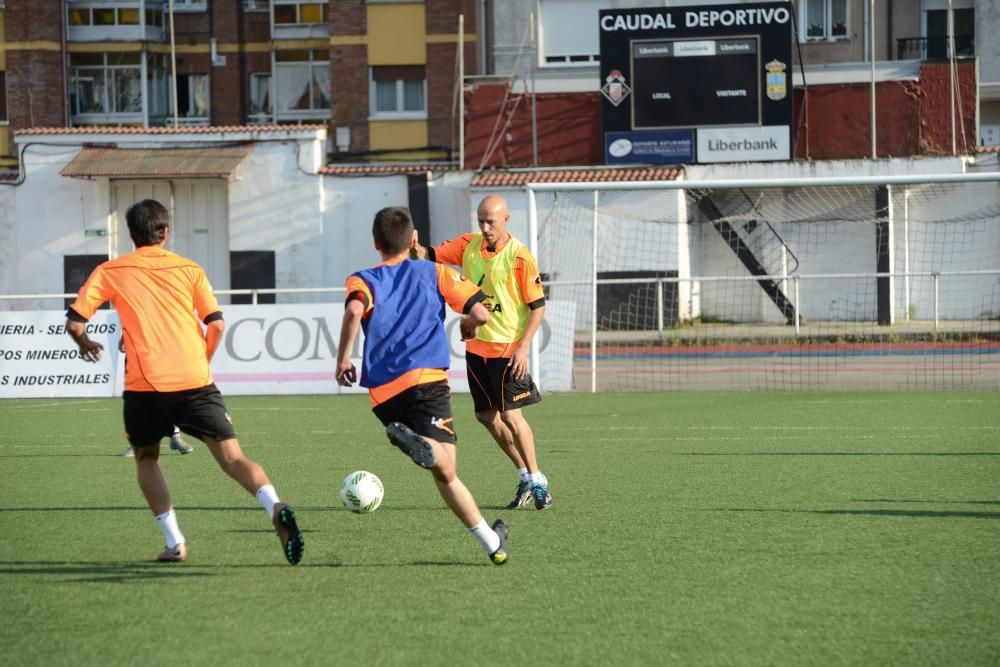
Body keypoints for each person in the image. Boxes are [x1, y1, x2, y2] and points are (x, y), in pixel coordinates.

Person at [66, 199, 304, 565]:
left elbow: (75, 323)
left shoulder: (111, 271)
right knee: (233, 458)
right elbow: (217, 324)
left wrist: (85, 343)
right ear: (165, 232)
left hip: (146, 385)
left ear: (131, 235)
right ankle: (275, 505)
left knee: (146, 457)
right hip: (196, 380)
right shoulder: (190, 268)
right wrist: (200, 364)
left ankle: (175, 543)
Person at [336, 206, 509, 565]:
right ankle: (425, 447)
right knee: (446, 468)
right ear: (412, 239)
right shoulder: (437, 272)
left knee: (444, 472)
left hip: (382, 395)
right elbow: (480, 313)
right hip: (426, 382)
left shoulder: (362, 279)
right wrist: (469, 326)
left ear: (376, 243)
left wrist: (343, 358)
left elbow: (354, 311)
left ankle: (493, 543)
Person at [412, 194, 552, 510]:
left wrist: (523, 348)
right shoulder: (468, 244)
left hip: (507, 350)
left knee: (511, 416)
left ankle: (539, 480)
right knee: (485, 416)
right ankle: (524, 475)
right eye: (481, 221)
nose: (486, 227)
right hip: (478, 349)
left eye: (491, 221)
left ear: (506, 220)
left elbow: (538, 307)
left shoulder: (520, 257)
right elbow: (428, 255)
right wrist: (413, 246)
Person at [116, 336, 193, 457]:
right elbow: (131, 320)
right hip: (136, 353)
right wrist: (123, 339)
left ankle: (175, 436)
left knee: (169, 394)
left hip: (163, 351)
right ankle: (137, 444)